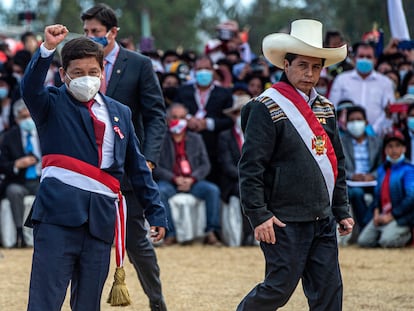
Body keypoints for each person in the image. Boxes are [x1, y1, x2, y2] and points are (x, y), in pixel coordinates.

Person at [21, 24, 167, 311]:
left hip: (101, 221)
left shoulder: (120, 112)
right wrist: (48, 49)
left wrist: (156, 211)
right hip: (57, 218)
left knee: (88, 305)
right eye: (76, 73)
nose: (85, 79)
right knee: (44, 302)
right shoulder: (49, 103)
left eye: (93, 72)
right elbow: (30, 87)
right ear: (63, 75)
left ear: (102, 73)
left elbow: (137, 167)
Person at [237, 19, 354, 310]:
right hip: (283, 220)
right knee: (277, 289)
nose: (310, 74)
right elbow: (251, 167)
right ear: (285, 65)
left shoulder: (326, 108)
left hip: (322, 219)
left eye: (316, 67)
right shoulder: (264, 107)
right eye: (303, 65)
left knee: (329, 293)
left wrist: (341, 209)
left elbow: (336, 163)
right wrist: (258, 215)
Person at [81, 4, 168, 310]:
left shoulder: (139, 64)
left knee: (136, 245)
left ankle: (157, 301)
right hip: (85, 170)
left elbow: (157, 115)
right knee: (87, 246)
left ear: (113, 32)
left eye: (97, 32)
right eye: (87, 32)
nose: (91, 37)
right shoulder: (79, 64)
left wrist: (149, 158)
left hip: (128, 171)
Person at [153, 103, 222, 246]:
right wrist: (174, 178)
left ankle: (211, 233)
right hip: (171, 181)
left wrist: (192, 179)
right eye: (175, 117)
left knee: (212, 190)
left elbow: (205, 165)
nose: (178, 120)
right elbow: (156, 166)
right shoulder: (160, 139)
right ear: (167, 119)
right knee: (159, 192)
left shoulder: (196, 138)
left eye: (182, 117)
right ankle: (170, 235)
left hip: (193, 181)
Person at [174, 55, 233, 185]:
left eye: (207, 68)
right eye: (200, 69)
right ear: (194, 71)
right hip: (188, 147)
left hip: (215, 148)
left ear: (213, 70)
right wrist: (188, 119)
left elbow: (230, 120)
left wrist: (208, 123)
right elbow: (173, 110)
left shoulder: (224, 94)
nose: (203, 72)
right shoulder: (183, 91)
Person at [357, 130, 414, 248]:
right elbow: (378, 195)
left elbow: (411, 197)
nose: (394, 150)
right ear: (385, 150)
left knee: (386, 242)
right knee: (363, 241)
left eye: (398, 146)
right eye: (390, 146)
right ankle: (386, 232)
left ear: (404, 149)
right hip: (383, 215)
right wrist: (377, 213)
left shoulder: (409, 170)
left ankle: (408, 234)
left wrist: (392, 215)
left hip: (401, 217)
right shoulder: (382, 170)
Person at [329, 42, 395, 136]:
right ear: (354, 58)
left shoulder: (385, 82)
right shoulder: (341, 80)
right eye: (361, 56)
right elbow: (332, 108)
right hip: (346, 136)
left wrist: (373, 130)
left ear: (375, 60)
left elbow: (388, 110)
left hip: (377, 137)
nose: (364, 59)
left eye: (368, 57)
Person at [0, 99, 40, 248]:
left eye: (30, 116)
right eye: (23, 117)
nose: (27, 120)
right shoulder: (9, 137)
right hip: (19, 181)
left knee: (50, 190)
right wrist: (16, 164)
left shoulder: (44, 132)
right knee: (13, 191)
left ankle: (43, 232)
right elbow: (2, 164)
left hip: (40, 180)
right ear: (17, 119)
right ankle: (19, 234)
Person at [217, 94, 254, 246]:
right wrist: (249, 177)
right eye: (239, 112)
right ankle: (247, 234)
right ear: (233, 115)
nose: (242, 116)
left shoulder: (260, 135)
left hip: (256, 180)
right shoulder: (224, 136)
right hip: (234, 182)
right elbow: (226, 165)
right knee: (245, 190)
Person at [341, 106, 383, 231]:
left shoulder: (377, 142)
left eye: (358, 119)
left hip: (372, 180)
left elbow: (381, 164)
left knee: (382, 191)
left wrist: (373, 176)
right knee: (356, 193)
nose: (355, 123)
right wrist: (351, 176)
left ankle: (367, 226)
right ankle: (365, 226)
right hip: (351, 182)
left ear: (366, 122)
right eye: (352, 120)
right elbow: (338, 165)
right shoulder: (341, 142)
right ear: (347, 124)